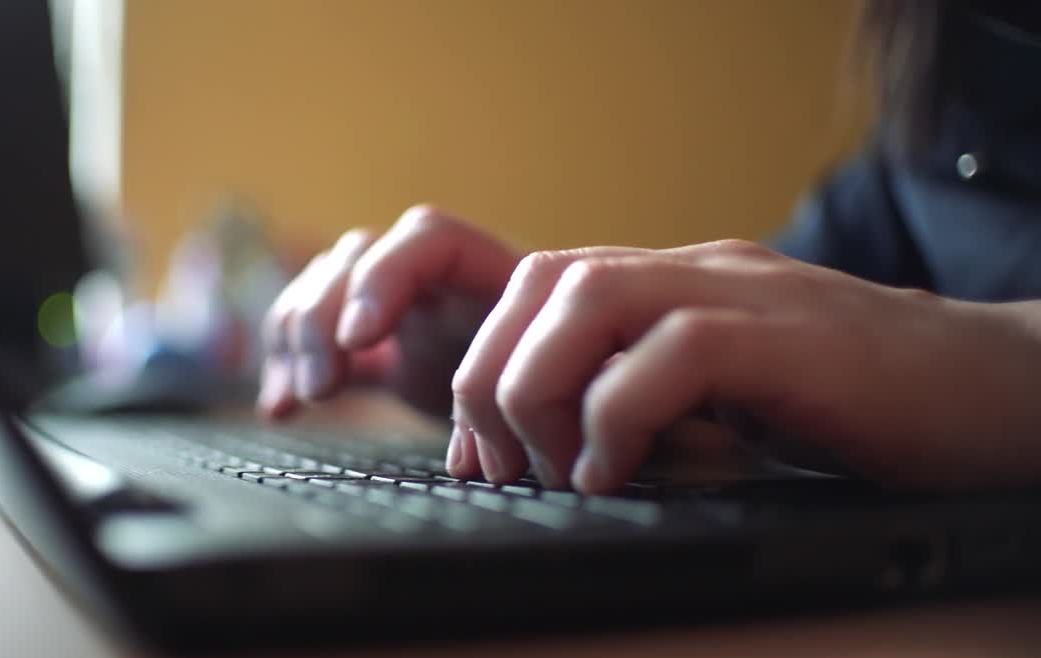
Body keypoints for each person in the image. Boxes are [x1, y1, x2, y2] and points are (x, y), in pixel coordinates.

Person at [256, 0, 1041, 495]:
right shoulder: (934, 99)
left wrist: (1006, 358)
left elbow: (905, 348)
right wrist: (565, 344)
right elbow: (775, 345)